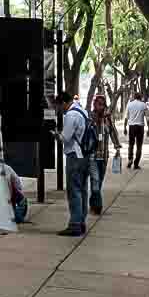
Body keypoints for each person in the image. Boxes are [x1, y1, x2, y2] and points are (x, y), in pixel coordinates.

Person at [57, 90, 90, 236]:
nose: (60, 109)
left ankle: (75, 224)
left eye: (60, 106)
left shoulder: (71, 115)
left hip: (74, 155)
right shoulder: (83, 111)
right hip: (85, 155)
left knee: (74, 190)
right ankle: (81, 221)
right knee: (82, 189)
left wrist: (56, 135)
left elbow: (66, 137)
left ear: (64, 102)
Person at [89, 93, 121, 214]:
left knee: (98, 182)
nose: (101, 107)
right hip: (92, 155)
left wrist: (117, 147)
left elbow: (113, 132)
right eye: (99, 104)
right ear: (94, 104)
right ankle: (97, 206)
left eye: (103, 104)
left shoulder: (107, 118)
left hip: (104, 155)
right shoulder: (90, 117)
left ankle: (93, 204)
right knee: (95, 181)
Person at [125, 92, 149, 169]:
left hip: (131, 127)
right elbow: (147, 118)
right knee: (139, 146)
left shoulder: (129, 104)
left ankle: (130, 159)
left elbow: (126, 117)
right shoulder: (143, 105)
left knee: (131, 144)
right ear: (141, 97)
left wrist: (124, 127)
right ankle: (136, 164)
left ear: (134, 97)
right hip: (140, 127)